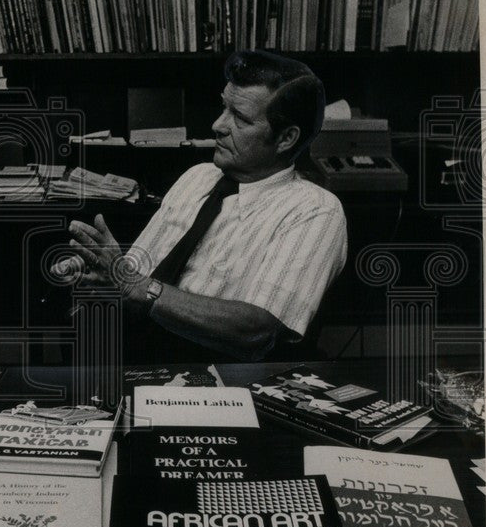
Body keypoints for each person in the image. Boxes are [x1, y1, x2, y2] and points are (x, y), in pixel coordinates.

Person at [56, 49, 347, 362]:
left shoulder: (315, 209)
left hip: (224, 382)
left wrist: (139, 287)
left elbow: (257, 331)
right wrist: (101, 274)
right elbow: (135, 282)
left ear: (286, 138)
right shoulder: (197, 177)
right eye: (224, 108)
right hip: (138, 364)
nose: (218, 125)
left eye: (241, 118)